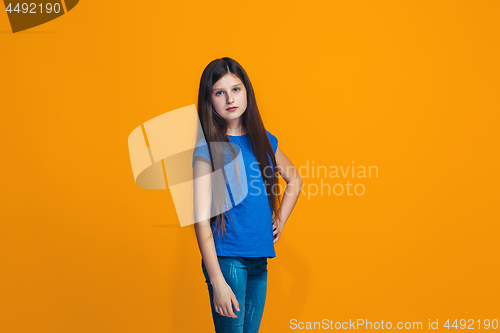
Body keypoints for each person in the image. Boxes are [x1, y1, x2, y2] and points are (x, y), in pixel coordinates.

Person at [192, 57, 302, 333]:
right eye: (220, 92)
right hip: (228, 261)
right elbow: (201, 220)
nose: (230, 98)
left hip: (259, 260)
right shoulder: (208, 150)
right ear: (210, 101)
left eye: (236, 89)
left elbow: (295, 180)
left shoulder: (263, 139)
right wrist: (216, 279)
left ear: (247, 92)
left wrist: (281, 219)